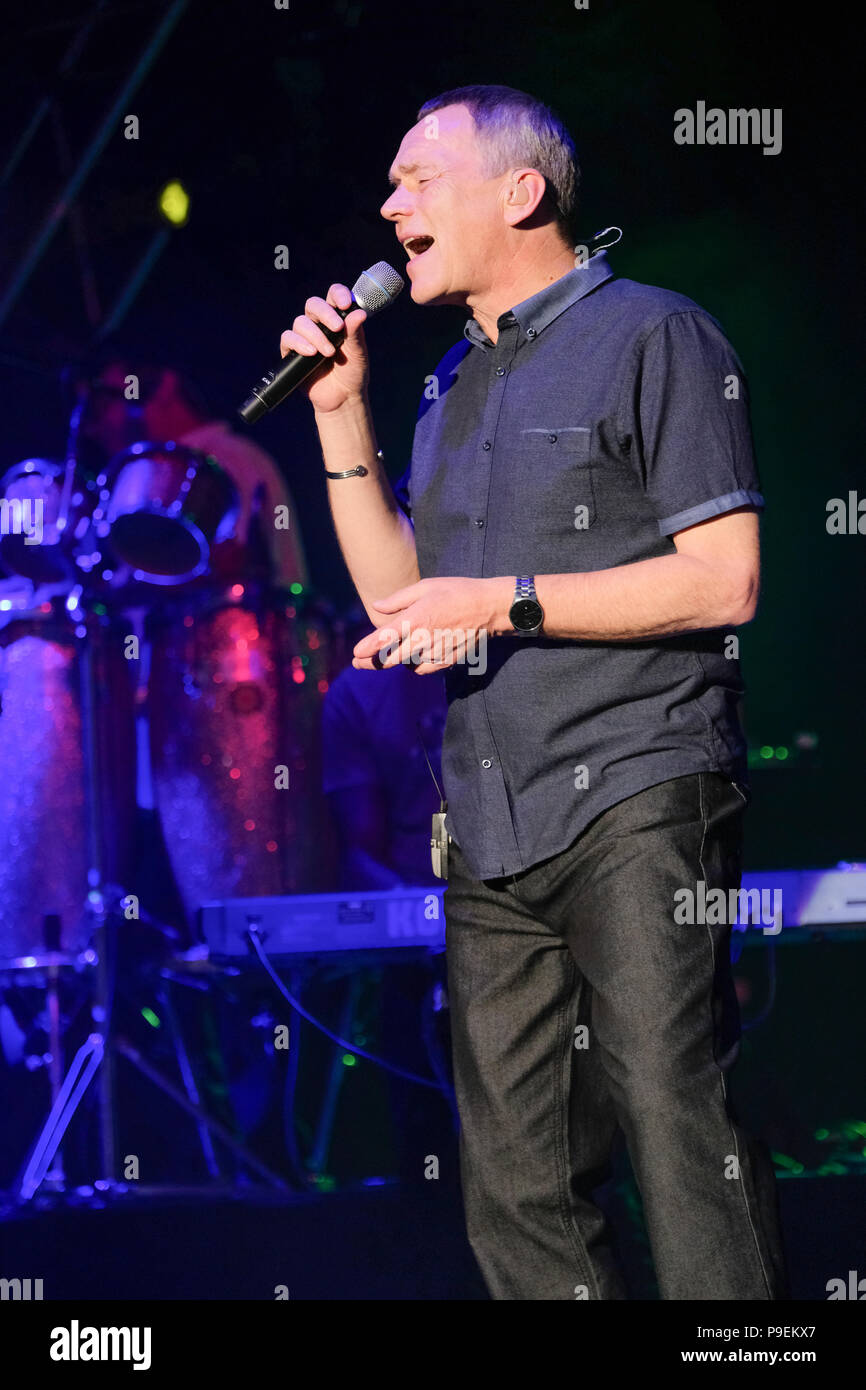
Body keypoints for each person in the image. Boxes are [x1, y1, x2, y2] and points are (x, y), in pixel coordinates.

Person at [278, 84, 786, 1300]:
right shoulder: (448, 382)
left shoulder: (656, 335)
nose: (389, 203)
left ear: (520, 193)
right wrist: (340, 412)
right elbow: (405, 593)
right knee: (515, 1179)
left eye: (416, 176)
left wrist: (501, 599)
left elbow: (726, 580)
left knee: (672, 1119)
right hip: (488, 818)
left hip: (634, 783)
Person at [79, 355, 307, 588]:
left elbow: (228, 564)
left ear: (164, 387)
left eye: (103, 406)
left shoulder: (225, 456)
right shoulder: (159, 468)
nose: (93, 428)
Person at [321, 660, 447, 889]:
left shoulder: (516, 672)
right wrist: (408, 906)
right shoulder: (357, 691)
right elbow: (361, 847)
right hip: (413, 887)